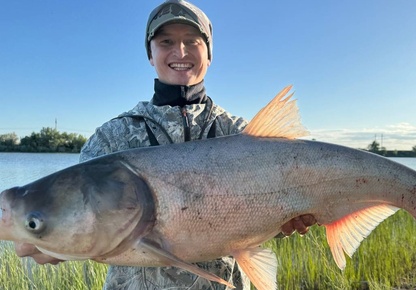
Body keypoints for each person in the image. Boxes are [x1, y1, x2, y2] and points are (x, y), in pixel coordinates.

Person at [15, 0, 316, 289]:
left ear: (209, 53)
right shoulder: (110, 138)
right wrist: (50, 240)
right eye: (166, 42)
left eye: (192, 40)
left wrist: (286, 224)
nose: (180, 51)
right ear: (150, 54)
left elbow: (269, 220)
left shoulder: (241, 133)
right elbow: (81, 221)